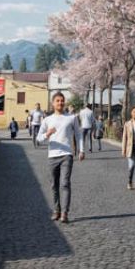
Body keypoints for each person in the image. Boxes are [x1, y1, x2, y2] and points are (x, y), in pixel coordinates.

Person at [34, 92, 84, 223]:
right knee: (53, 185)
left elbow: (79, 135)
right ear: (53, 103)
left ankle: (64, 213)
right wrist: (47, 134)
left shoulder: (72, 118)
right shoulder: (47, 120)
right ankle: (56, 210)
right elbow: (38, 139)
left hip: (67, 155)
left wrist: (81, 150)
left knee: (65, 183)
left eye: (62, 100)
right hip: (52, 156)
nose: (60, 103)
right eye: (58, 100)